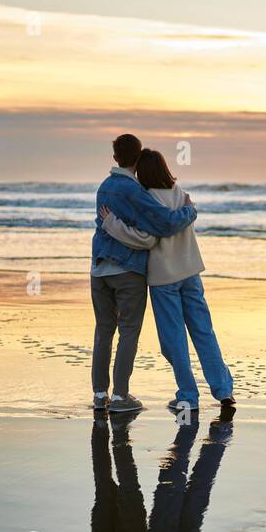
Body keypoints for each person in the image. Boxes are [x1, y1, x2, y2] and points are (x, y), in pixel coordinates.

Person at [99, 148, 234, 413]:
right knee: (204, 333)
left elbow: (146, 238)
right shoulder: (181, 195)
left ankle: (188, 396)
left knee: (174, 340)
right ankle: (223, 390)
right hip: (191, 273)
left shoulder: (146, 199)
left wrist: (111, 224)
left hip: (164, 279)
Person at [90, 134, 198, 414]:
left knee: (103, 331)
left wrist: (114, 227)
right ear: (137, 159)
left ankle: (100, 394)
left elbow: (104, 227)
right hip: (127, 270)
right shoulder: (135, 191)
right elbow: (162, 225)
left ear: (115, 158)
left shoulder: (103, 188)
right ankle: (120, 396)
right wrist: (189, 211)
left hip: (99, 269)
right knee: (128, 331)